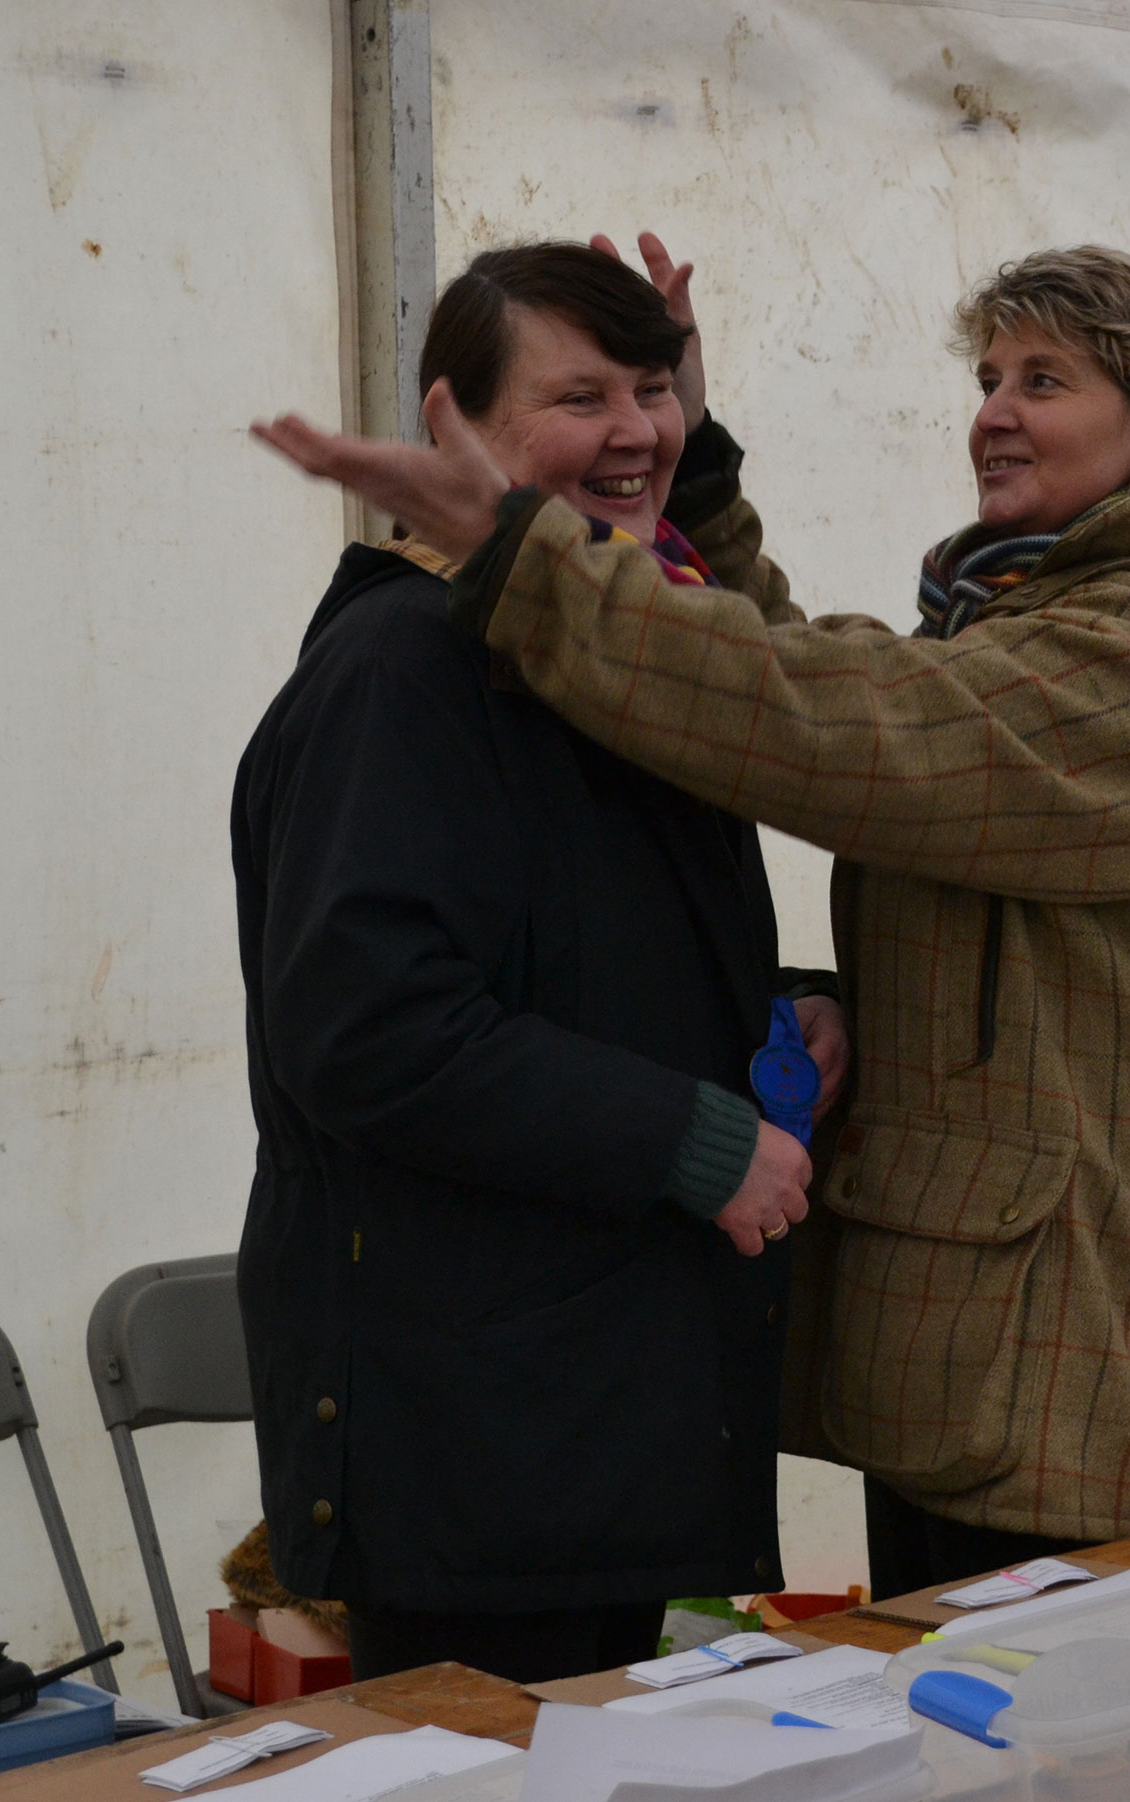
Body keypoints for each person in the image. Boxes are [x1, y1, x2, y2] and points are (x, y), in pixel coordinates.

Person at [254, 242, 1130, 1599]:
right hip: (933, 1348)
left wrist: (531, 553)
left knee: (1027, 1702)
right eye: (987, 377)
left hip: (1046, 1355)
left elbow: (836, 724)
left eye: (1043, 380)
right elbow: (804, 694)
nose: (992, 411)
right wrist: (819, 1002)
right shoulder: (405, 668)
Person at [231, 241, 847, 1684]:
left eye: (652, 389)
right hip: (473, 1434)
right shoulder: (403, 669)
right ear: (455, 425)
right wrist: (696, 1139)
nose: (634, 432)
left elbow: (573, 956)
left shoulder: (614, 642)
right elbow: (371, 1026)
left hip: (601, 1409)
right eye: (580, 398)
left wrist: (786, 1010)